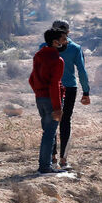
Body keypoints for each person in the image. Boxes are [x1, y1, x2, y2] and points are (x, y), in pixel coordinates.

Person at [39, 20, 91, 171]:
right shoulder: (75, 48)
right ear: (68, 32)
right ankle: (63, 159)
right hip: (69, 88)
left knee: (51, 122)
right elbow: (81, 70)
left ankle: (52, 158)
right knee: (66, 121)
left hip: (49, 89)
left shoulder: (43, 47)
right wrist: (86, 91)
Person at [29, 29, 67, 174]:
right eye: (63, 39)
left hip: (40, 99)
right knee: (49, 133)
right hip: (52, 100)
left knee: (47, 132)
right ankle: (45, 167)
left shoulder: (38, 56)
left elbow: (31, 79)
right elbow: (54, 84)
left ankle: (46, 164)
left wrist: (39, 93)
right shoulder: (58, 61)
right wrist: (57, 107)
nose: (66, 42)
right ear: (55, 42)